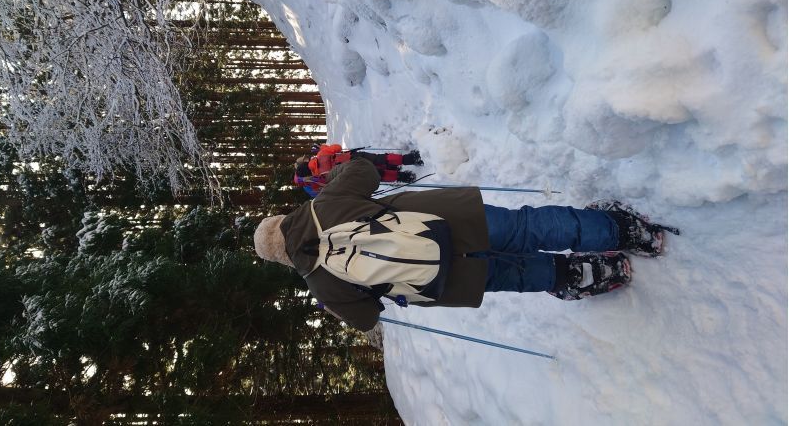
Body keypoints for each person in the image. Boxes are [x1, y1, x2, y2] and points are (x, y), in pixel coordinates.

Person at [257, 157, 668, 332]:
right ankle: (623, 231)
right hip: (452, 221)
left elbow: (367, 319)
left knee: (519, 273)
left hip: (444, 280)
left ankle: (591, 272)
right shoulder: (324, 205)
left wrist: (338, 302)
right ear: (282, 221)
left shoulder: (319, 283)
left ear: (282, 257)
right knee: (529, 228)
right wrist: (335, 179)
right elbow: (363, 170)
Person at [293, 144, 423, 197]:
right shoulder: (322, 154)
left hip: (353, 172)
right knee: (381, 159)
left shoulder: (320, 179)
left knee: (379, 175)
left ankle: (404, 177)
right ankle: (409, 159)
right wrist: (322, 148)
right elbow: (337, 147)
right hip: (353, 158)